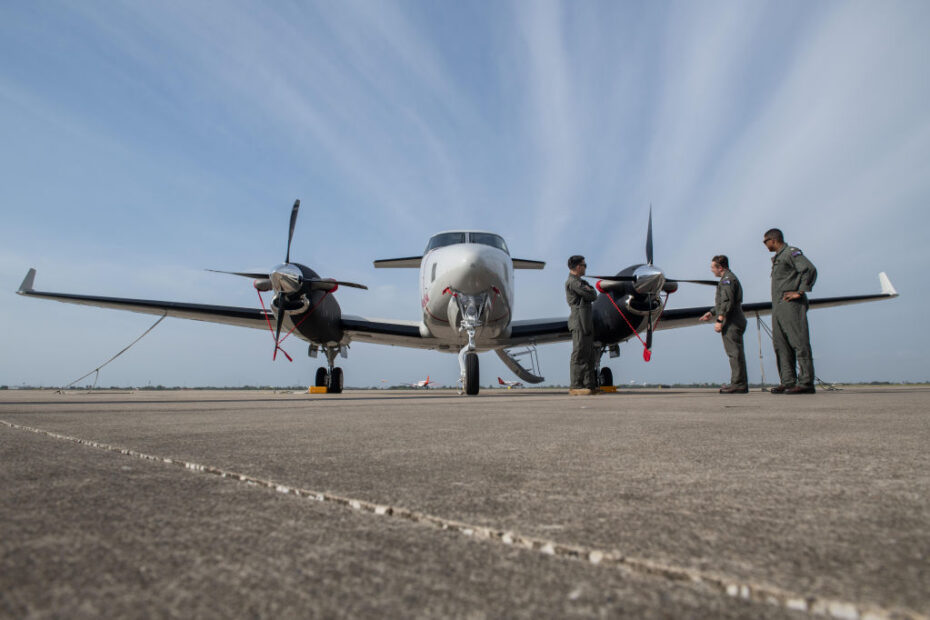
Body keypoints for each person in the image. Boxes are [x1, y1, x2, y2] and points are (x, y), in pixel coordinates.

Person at [764, 228, 818, 394]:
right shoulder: (779, 257)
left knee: (799, 342)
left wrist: (800, 292)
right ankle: (788, 381)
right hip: (778, 307)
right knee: (781, 344)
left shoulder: (791, 252)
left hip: (791, 305)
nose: (764, 245)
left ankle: (806, 382)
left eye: (765, 241)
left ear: (773, 240)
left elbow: (809, 269)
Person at [700, 255, 748, 393]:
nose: (711, 270)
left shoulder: (727, 280)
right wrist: (711, 312)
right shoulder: (728, 279)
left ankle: (738, 384)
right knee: (735, 352)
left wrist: (719, 320)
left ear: (720, 268)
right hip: (733, 317)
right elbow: (724, 302)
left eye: (712, 267)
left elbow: (727, 302)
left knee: (734, 353)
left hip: (732, 319)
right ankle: (739, 383)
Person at [565, 255, 598, 395]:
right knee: (579, 352)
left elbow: (593, 293)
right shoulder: (573, 282)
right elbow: (591, 294)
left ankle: (588, 384)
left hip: (586, 319)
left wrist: (590, 290)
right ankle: (576, 385)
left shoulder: (581, 281)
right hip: (579, 320)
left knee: (589, 353)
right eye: (584, 265)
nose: (585, 267)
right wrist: (589, 290)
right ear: (578, 267)